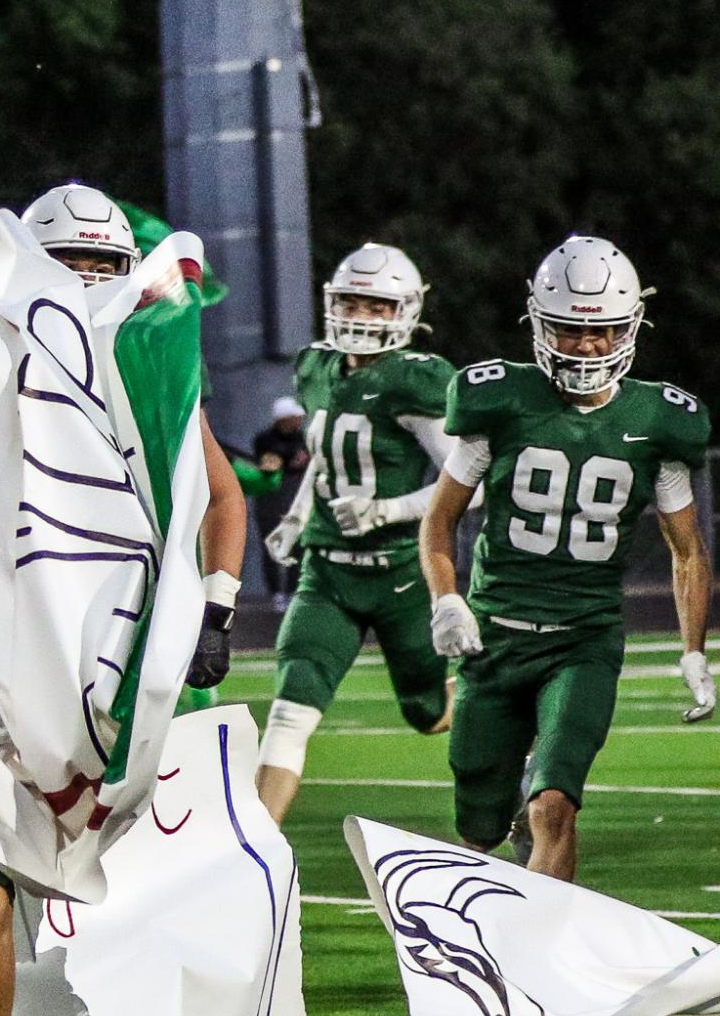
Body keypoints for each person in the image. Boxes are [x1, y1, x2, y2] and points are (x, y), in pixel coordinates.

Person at [422, 236, 712, 880]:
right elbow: (439, 521)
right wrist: (447, 599)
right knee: (477, 822)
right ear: (539, 324)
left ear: (630, 329)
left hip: (584, 640)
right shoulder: (499, 403)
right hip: (494, 638)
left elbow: (687, 550)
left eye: (604, 332)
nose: (587, 346)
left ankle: (540, 962)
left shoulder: (658, 420)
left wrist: (692, 648)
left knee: (556, 806)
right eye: (570, 329)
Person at [252, 245, 458, 822]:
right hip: (329, 572)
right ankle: (247, 855)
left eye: (377, 305)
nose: (362, 316)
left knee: (427, 713)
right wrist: (296, 518)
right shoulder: (316, 366)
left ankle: (507, 736)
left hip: (401, 572)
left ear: (406, 312)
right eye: (351, 301)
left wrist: (386, 511)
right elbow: (324, 458)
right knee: (291, 709)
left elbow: (469, 480)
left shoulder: (417, 379)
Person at [17, 182, 249, 691]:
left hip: (140, 612)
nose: (87, 280)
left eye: (102, 265)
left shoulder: (145, 361)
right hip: (30, 617)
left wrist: (215, 613)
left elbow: (222, 494)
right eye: (68, 263)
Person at [251, 396, 309, 611]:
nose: (298, 422)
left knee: (297, 546)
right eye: (294, 418)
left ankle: (293, 590)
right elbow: (271, 462)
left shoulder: (301, 438)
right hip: (271, 500)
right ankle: (277, 592)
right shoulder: (266, 439)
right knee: (272, 546)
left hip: (296, 498)